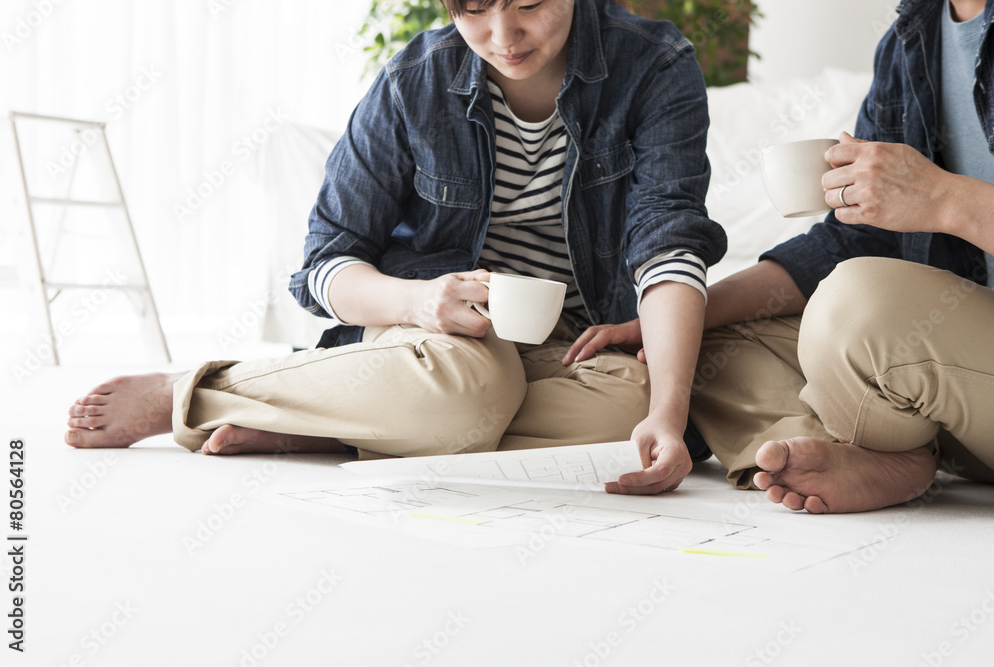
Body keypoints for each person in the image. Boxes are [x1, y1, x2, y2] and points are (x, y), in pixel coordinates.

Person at [65, 0, 726, 495]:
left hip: (571, 343)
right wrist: (419, 302)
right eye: (473, 8)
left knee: (640, 405)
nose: (503, 35)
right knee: (474, 383)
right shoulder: (416, 79)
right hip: (430, 340)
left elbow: (667, 243)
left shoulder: (654, 67)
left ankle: (328, 419)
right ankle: (201, 389)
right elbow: (324, 266)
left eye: (529, 4)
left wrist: (667, 412)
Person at [626, 0, 994, 512]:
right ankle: (876, 454)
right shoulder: (911, 38)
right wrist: (682, 318)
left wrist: (945, 199)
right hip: (957, 396)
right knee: (709, 343)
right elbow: (855, 241)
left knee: (856, 302)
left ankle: (885, 445)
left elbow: (869, 271)